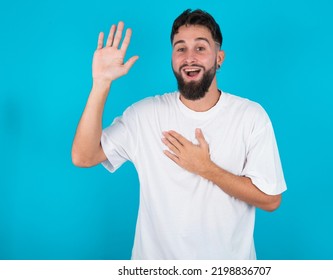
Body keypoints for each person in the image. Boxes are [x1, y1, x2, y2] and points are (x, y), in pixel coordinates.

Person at [72, 9, 287, 260]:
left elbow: (271, 200)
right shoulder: (145, 115)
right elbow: (83, 157)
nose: (189, 57)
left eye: (200, 48)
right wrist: (101, 84)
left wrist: (206, 168)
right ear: (172, 57)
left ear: (219, 58)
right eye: (180, 48)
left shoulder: (250, 116)